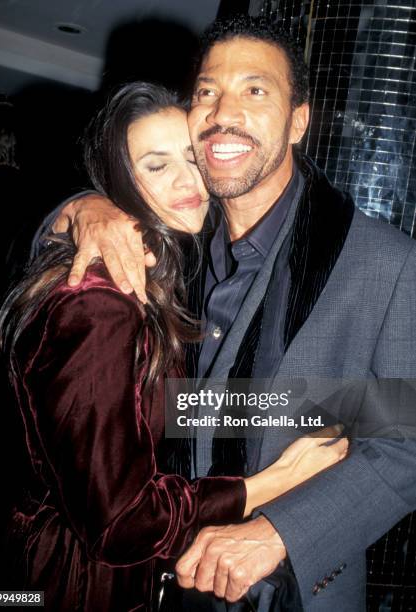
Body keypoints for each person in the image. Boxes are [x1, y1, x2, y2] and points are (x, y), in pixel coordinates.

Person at [32, 17, 416, 611]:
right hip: (154, 583)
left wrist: (277, 530)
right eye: (208, 91)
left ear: (299, 122)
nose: (222, 111)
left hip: (293, 592)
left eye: (255, 90)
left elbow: (405, 443)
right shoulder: (168, 236)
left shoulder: (382, 261)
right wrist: (82, 208)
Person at [0, 82, 348, 612]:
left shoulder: (165, 265)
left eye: (190, 156)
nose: (189, 182)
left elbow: (155, 408)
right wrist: (274, 482)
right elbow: (121, 521)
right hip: (63, 587)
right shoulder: (102, 303)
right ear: (120, 182)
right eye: (157, 166)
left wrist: (347, 406)